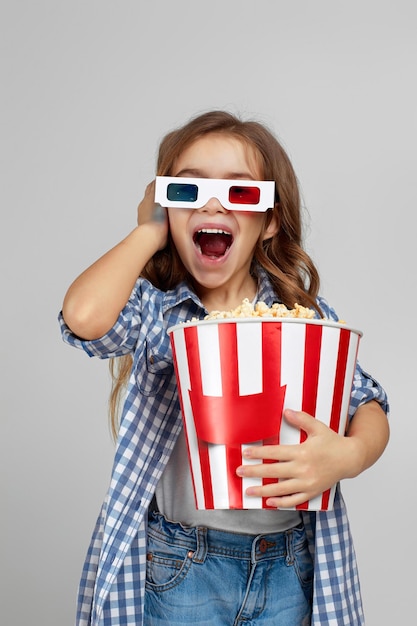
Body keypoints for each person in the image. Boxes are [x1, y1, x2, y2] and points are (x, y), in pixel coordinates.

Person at [59, 110, 389, 626]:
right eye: (187, 192)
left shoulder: (303, 320)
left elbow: (367, 403)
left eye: (240, 193)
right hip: (180, 564)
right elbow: (83, 317)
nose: (212, 203)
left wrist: (347, 455)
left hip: (287, 562)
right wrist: (148, 231)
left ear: (270, 220)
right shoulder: (157, 313)